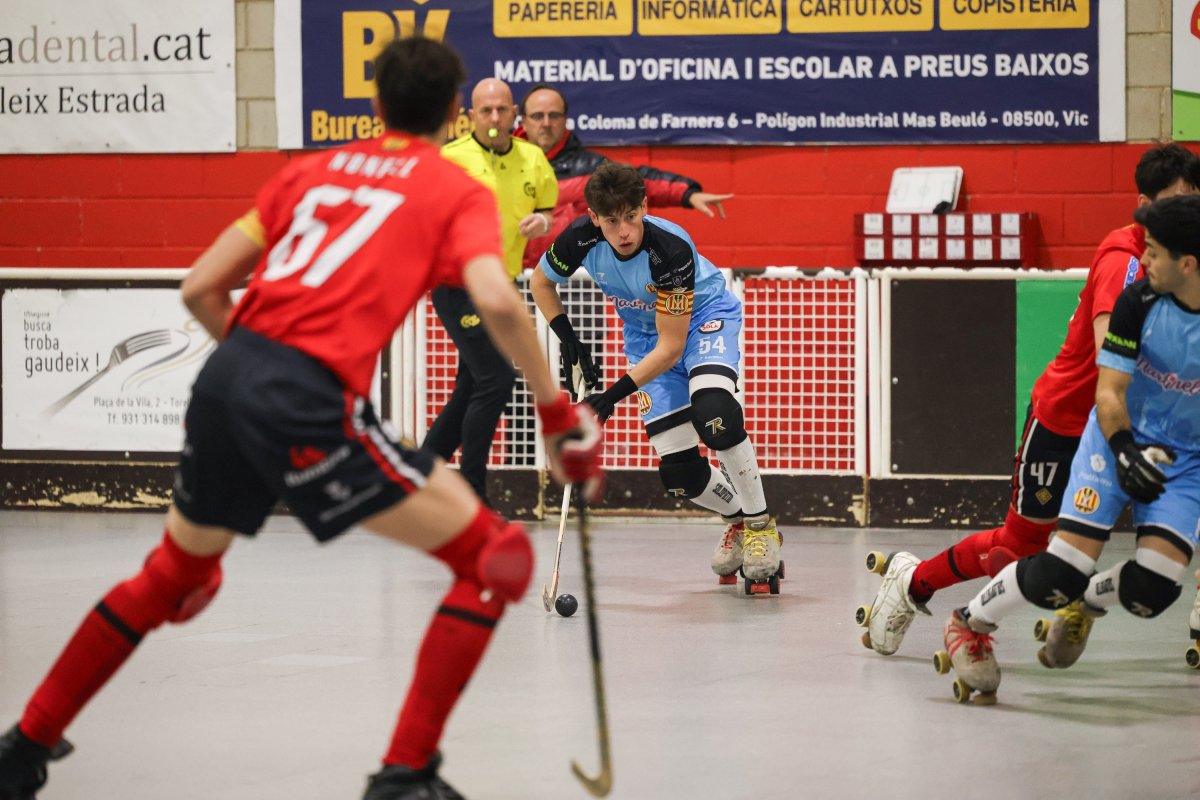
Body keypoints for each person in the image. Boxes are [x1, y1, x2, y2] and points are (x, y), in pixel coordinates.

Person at [0, 38, 601, 800]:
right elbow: (494, 296)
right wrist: (556, 414)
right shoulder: (453, 188)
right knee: (498, 563)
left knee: (172, 578)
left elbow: (199, 290)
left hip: (225, 382)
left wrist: (257, 369)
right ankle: (404, 773)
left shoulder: (307, 172)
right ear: (454, 113)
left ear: (373, 105)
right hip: (306, 401)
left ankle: (26, 744)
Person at [861, 143, 1200, 657]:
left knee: (1138, 566)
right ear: (1146, 206)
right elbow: (1115, 357)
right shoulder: (1128, 265)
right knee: (1019, 550)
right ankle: (915, 583)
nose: (1188, 212)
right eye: (1176, 203)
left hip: (1154, 428)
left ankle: (1102, 600)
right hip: (1072, 418)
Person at [938, 194, 1200, 701]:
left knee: (1155, 591)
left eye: (1153, 252)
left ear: (1187, 263)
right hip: (1115, 440)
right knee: (1059, 571)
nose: (1142, 261)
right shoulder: (1137, 303)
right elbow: (1109, 392)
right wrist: (1124, 450)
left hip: (1184, 459)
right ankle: (969, 622)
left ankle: (1087, 606)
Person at [531, 162, 782, 588]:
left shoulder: (668, 249)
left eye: (632, 216)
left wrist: (609, 397)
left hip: (704, 321)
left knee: (715, 414)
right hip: (647, 337)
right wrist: (568, 337)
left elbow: (672, 348)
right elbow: (541, 283)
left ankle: (761, 526)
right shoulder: (579, 238)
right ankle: (738, 520)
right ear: (594, 218)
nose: (625, 230)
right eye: (612, 221)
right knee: (680, 476)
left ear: (644, 206)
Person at [424, 78, 558, 505]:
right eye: (487, 111)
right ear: (472, 115)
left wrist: (543, 223)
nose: (496, 119)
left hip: (502, 285)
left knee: (472, 386)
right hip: (457, 286)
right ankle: (473, 499)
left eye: (502, 110)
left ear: (514, 112)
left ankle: (413, 481)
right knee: (496, 380)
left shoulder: (532, 158)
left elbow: (547, 211)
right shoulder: (449, 160)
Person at [517, 83, 734, 271]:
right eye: (537, 115)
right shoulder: (501, 167)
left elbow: (640, 182)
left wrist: (688, 193)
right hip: (514, 279)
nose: (546, 123)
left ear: (565, 120)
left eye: (554, 115)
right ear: (523, 121)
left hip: (574, 280)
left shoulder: (589, 168)